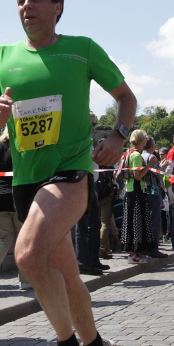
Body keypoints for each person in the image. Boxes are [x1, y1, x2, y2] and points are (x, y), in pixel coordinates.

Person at [0, 0, 135, 346]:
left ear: (57, 6)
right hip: (26, 179)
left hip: (70, 171)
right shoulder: (0, 56)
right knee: (65, 275)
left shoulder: (82, 49)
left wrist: (118, 136)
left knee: (28, 256)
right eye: (20, 1)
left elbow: (126, 97)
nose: (26, 6)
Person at [0, 128, 30, 293]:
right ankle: (25, 280)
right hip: (18, 197)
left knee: (3, 239)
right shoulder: (22, 146)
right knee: (23, 239)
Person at [75, 113, 109, 275]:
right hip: (81, 185)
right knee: (82, 226)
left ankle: (93, 259)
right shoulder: (78, 141)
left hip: (91, 184)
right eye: (91, 124)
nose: (94, 127)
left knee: (95, 224)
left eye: (95, 124)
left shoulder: (89, 142)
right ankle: (82, 262)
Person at [120, 130, 154, 264]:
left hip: (130, 190)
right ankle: (133, 254)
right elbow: (137, 176)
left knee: (134, 222)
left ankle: (137, 252)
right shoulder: (136, 155)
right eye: (145, 138)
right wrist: (149, 165)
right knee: (136, 223)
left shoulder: (128, 153)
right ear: (141, 140)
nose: (147, 140)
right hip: (136, 191)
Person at [140, 136, 168, 258]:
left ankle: (144, 247)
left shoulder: (140, 155)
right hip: (153, 191)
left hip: (143, 191)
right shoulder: (152, 157)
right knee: (154, 221)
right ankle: (153, 248)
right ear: (152, 146)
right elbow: (159, 175)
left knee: (145, 221)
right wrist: (163, 167)